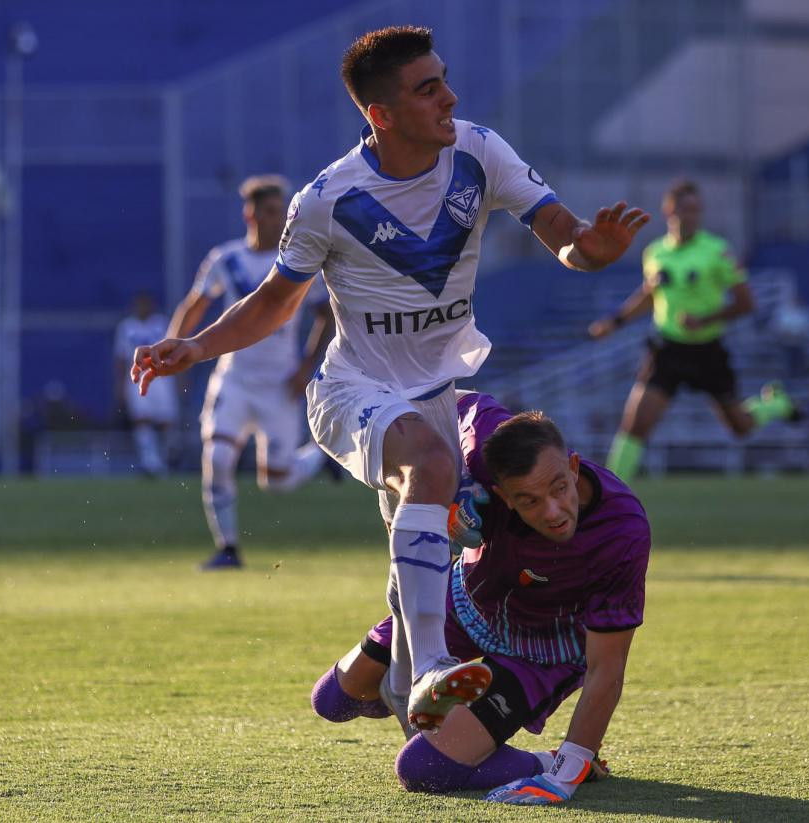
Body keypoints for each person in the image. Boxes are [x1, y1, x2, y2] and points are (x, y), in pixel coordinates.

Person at [132, 26, 650, 730]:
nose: (450, 97)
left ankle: (388, 687)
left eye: (444, 79)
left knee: (423, 565)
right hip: (351, 391)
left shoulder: (480, 151)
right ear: (381, 113)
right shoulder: (327, 199)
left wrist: (591, 250)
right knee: (434, 470)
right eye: (428, 88)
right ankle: (433, 664)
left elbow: (564, 233)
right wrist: (193, 346)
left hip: (435, 395)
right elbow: (275, 304)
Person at [309, 391, 649, 806]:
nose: (555, 511)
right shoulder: (486, 440)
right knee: (334, 701)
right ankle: (458, 712)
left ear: (573, 466)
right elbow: (449, 397)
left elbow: (607, 668)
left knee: (422, 770)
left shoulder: (622, 530)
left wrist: (566, 775)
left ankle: (545, 761)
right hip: (464, 601)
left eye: (561, 488)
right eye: (530, 501)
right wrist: (460, 480)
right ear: (504, 495)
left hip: (541, 651)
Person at [165, 175, 335, 570]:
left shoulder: (296, 261)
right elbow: (195, 304)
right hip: (235, 380)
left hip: (279, 384)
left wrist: (307, 367)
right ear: (250, 213)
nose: (279, 219)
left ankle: (321, 459)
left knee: (277, 482)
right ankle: (228, 549)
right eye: (271, 211)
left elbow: (326, 317)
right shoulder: (226, 259)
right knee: (219, 456)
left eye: (282, 211)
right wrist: (174, 345)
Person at [588, 179, 798, 483]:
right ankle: (610, 499)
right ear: (668, 211)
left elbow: (745, 303)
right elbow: (650, 294)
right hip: (667, 349)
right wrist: (616, 321)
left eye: (697, 210)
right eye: (686, 209)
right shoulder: (655, 253)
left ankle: (775, 404)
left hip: (707, 350)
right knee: (634, 426)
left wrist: (706, 320)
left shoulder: (717, 251)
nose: (692, 216)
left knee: (739, 426)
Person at [114, 292, 178, 477]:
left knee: (166, 421)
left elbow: (174, 350)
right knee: (142, 419)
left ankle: (168, 460)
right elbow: (120, 358)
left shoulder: (162, 324)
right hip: (137, 376)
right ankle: (150, 462)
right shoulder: (126, 327)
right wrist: (119, 386)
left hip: (162, 376)